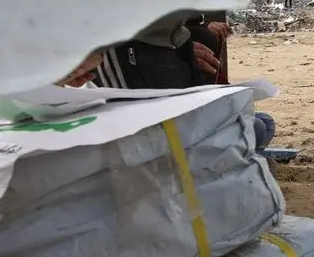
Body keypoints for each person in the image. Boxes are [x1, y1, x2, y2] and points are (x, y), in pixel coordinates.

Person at [90, 12, 277, 152]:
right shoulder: (123, 47)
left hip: (182, 118)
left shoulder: (182, 40)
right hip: (156, 137)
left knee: (261, 124)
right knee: (254, 128)